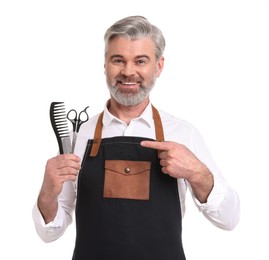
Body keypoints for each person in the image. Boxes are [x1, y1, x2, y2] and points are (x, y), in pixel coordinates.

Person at [33, 15, 240, 259]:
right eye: (118, 60)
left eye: (140, 61)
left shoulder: (183, 134)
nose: (128, 71)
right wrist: (47, 191)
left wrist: (197, 173)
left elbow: (229, 220)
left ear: (159, 66)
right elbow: (50, 233)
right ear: (105, 64)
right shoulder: (80, 136)